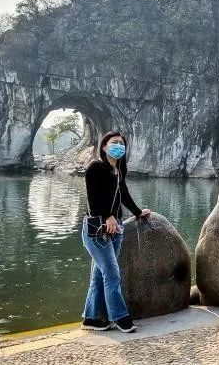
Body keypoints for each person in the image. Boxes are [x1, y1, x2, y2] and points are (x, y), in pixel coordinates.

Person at [80, 130, 152, 332]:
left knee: (99, 275)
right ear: (104, 147)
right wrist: (107, 216)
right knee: (112, 273)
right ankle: (120, 317)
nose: (119, 145)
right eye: (114, 142)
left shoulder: (118, 170)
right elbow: (93, 199)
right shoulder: (96, 168)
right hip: (98, 230)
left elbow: (124, 194)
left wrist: (138, 212)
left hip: (116, 227)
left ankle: (91, 318)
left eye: (121, 143)